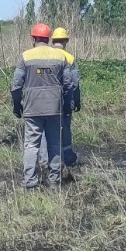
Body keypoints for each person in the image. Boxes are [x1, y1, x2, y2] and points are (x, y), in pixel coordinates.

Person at [11, 22, 73, 189]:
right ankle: (54, 181)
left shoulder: (25, 56)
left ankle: (30, 182)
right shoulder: (61, 57)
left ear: (33, 38)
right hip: (54, 108)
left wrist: (17, 104)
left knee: (31, 145)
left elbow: (16, 85)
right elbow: (68, 84)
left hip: (32, 108)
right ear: (48, 38)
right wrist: (67, 104)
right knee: (54, 144)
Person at [49, 26, 81, 170]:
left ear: (53, 40)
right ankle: (68, 157)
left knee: (49, 129)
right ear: (65, 41)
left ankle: (51, 158)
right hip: (65, 99)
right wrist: (76, 100)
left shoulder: (46, 55)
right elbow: (74, 82)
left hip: (47, 100)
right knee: (65, 128)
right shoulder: (69, 58)